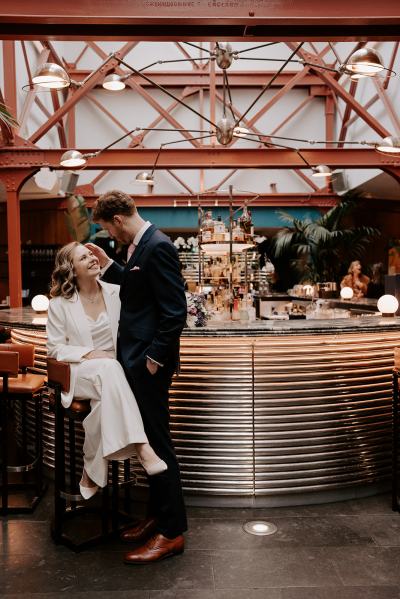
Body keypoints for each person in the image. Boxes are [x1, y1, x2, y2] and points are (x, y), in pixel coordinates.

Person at [86, 189, 188, 565]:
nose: (110, 238)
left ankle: (172, 532)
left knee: (157, 445)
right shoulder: (136, 248)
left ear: (117, 220)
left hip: (147, 366)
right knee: (145, 438)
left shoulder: (158, 246)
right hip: (134, 362)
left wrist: (154, 359)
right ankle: (157, 516)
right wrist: (110, 265)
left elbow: (175, 311)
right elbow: (137, 289)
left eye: (108, 231)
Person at [46, 242, 167, 500]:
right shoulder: (59, 304)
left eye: (91, 254)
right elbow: (55, 349)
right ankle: (142, 447)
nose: (91, 258)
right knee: (110, 367)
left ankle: (92, 469)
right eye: (83, 257)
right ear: (72, 269)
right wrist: (89, 354)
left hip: (112, 378)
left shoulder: (117, 292)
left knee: (106, 393)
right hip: (79, 372)